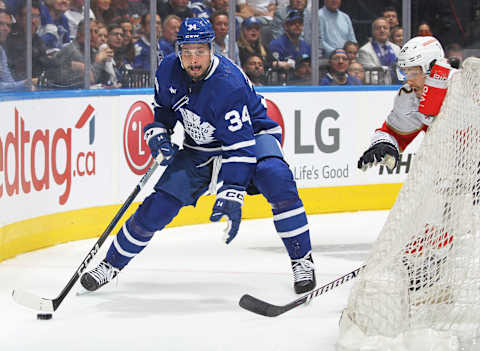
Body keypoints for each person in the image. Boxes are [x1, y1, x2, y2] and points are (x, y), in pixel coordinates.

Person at [80, 17, 316, 295]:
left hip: (253, 137)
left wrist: (231, 192)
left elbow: (238, 148)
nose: (193, 59)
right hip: (200, 147)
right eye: (187, 51)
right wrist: (158, 131)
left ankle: (302, 259)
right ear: (178, 50)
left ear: (211, 49)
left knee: (276, 179)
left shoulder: (228, 83)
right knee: (157, 207)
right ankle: (110, 265)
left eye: (200, 51)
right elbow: (164, 111)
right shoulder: (167, 69)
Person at [357, 36, 453, 173]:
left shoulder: (465, 87)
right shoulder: (409, 97)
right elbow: (394, 132)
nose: (409, 81)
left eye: (413, 73)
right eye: (405, 73)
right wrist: (385, 144)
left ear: (433, 69)